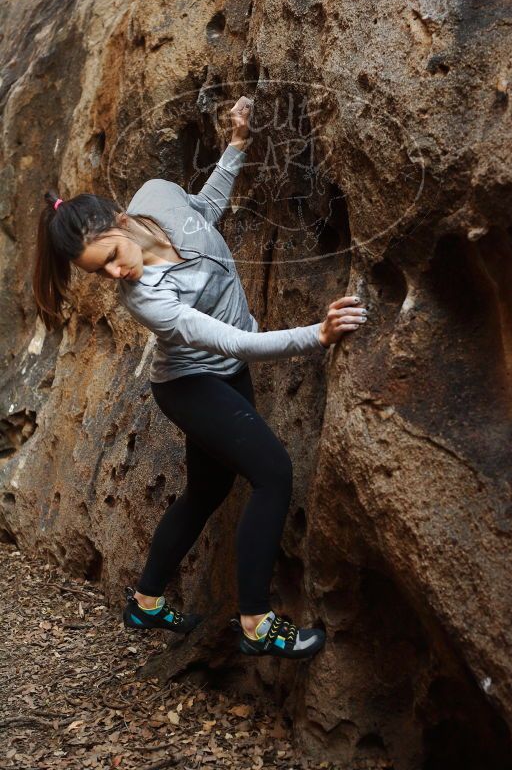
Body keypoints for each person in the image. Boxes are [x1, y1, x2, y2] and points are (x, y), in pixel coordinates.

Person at [32, 96, 369, 660]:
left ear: (122, 221)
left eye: (113, 256)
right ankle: (257, 623)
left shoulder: (156, 195)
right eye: (102, 272)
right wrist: (319, 334)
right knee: (274, 473)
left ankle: (145, 602)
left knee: (207, 489)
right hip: (190, 386)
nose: (117, 274)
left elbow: (203, 212)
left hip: (225, 372)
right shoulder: (146, 298)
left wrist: (234, 148)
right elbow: (230, 340)